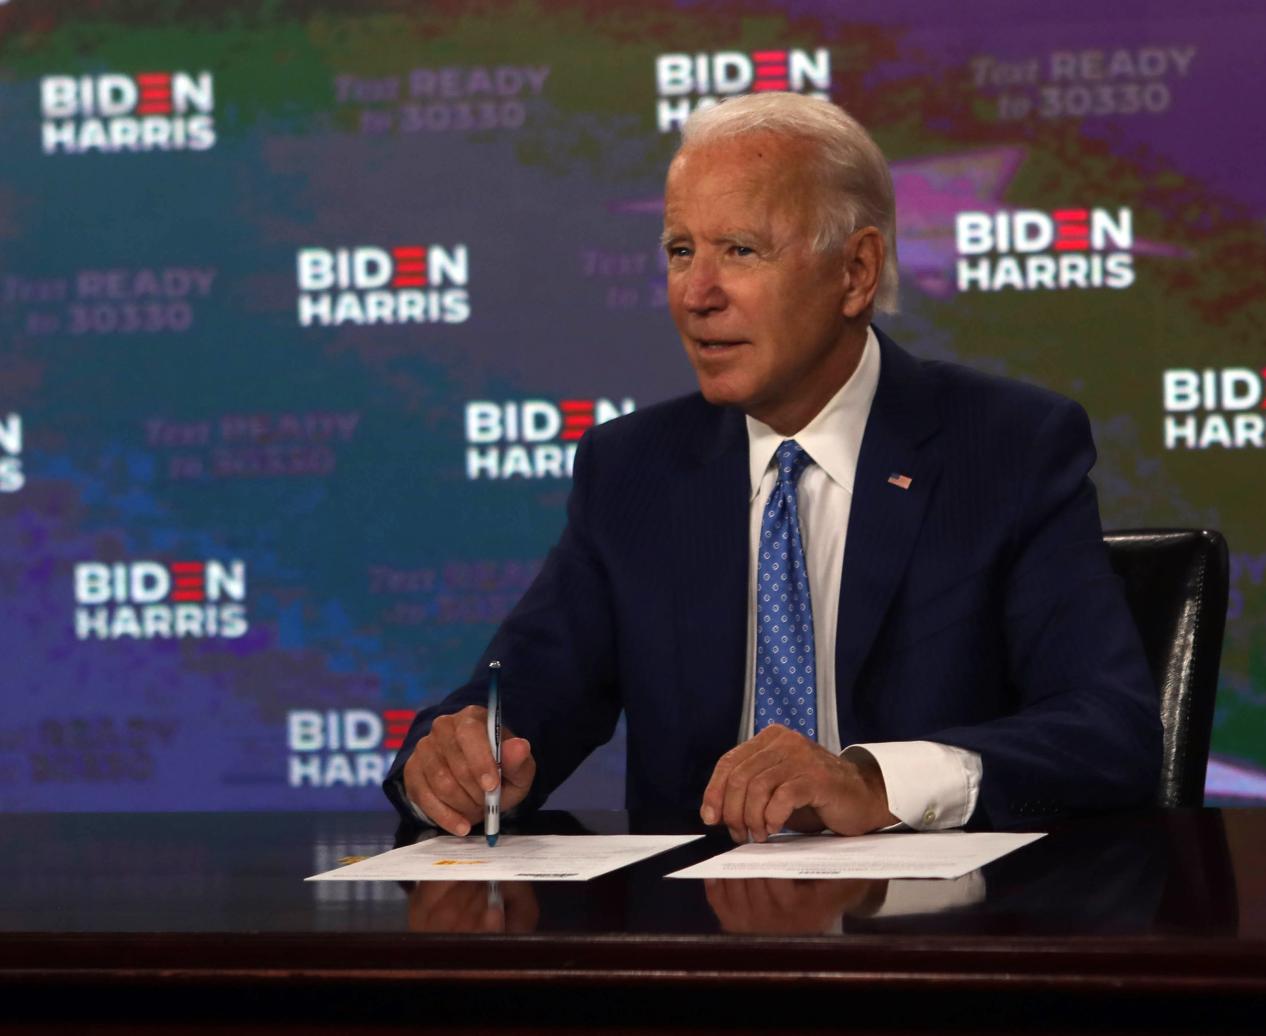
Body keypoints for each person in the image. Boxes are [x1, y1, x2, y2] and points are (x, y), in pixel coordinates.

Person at [384, 92, 1160, 843]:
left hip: (935, 941)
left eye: (741, 251)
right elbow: (523, 695)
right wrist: (458, 756)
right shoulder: (635, 469)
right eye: (681, 250)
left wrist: (873, 783)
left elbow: (1110, 732)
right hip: (701, 949)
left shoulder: (1007, 447)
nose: (697, 293)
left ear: (855, 272)